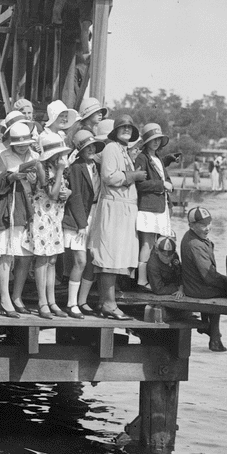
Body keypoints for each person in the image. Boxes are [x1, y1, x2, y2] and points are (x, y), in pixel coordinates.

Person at [88, 115, 145, 320]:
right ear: (115, 130)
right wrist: (133, 176)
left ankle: (105, 302)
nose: (127, 130)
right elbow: (109, 176)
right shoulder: (111, 148)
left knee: (117, 256)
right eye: (123, 127)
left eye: (130, 127)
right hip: (114, 206)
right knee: (109, 257)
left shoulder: (123, 151)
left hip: (124, 208)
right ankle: (109, 303)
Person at [0, 121, 40, 318]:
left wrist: (35, 180)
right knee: (6, 253)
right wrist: (11, 177)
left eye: (25, 142)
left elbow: (40, 184)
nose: (22, 146)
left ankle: (17, 296)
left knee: (25, 255)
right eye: (18, 143)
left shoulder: (35, 156)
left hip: (29, 208)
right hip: (9, 207)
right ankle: (4, 298)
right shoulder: (3, 156)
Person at [180, 207, 227, 352]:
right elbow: (209, 277)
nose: (208, 228)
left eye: (209, 223)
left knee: (225, 289)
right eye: (203, 225)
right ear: (191, 225)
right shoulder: (195, 245)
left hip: (197, 285)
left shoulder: (195, 237)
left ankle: (214, 336)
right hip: (199, 288)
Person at [28, 133, 72, 319]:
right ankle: (42, 301)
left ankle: (52, 300)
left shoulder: (56, 166)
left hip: (54, 216)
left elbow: (62, 191)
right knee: (42, 259)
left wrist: (67, 192)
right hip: (42, 216)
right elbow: (52, 194)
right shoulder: (41, 165)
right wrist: (61, 171)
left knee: (52, 260)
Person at [62, 130, 105, 318]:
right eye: (87, 147)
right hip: (78, 217)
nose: (91, 149)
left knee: (90, 261)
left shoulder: (96, 166)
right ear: (80, 150)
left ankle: (82, 301)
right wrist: (81, 223)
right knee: (80, 261)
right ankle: (71, 303)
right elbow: (76, 197)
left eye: (93, 146)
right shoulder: (76, 168)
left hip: (94, 214)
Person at [134, 123, 173, 290]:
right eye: (152, 140)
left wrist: (168, 184)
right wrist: (161, 184)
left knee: (156, 243)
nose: (156, 142)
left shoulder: (157, 158)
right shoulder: (142, 158)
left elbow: (167, 179)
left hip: (160, 206)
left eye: (158, 139)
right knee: (147, 244)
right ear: (146, 142)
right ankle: (142, 280)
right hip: (148, 207)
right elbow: (140, 184)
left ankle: (152, 277)